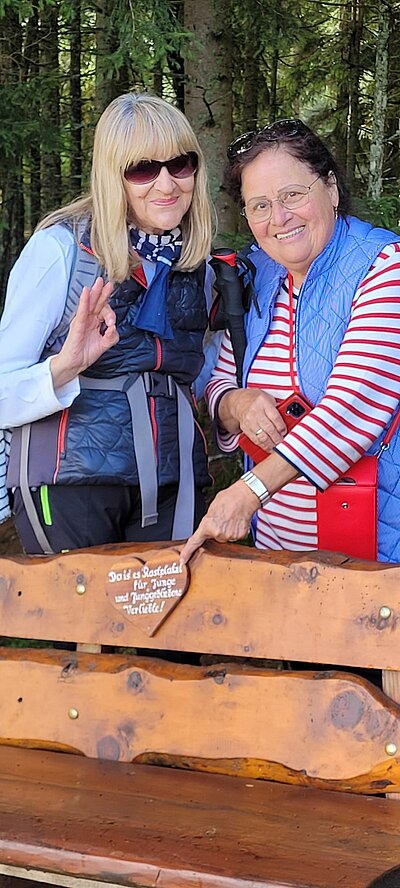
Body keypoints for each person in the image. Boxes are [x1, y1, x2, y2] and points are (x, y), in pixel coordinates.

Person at [0, 92, 215, 554]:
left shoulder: (203, 269)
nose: (166, 184)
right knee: (85, 624)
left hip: (174, 482)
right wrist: (63, 367)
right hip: (69, 483)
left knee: (169, 624)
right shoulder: (60, 252)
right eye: (142, 169)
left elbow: (207, 378)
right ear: (112, 176)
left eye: (180, 164)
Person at [180, 118, 400, 565]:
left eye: (292, 196)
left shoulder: (385, 267)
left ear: (332, 189)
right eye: (258, 205)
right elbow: (217, 382)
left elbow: (351, 407)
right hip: (278, 554)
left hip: (374, 547)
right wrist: (238, 404)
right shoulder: (258, 275)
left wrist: (249, 491)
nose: (277, 218)